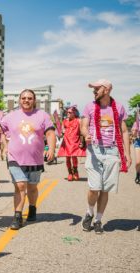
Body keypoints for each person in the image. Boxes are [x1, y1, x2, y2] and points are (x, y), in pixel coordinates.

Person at [0, 89, 56, 230]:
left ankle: (32, 207)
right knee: (20, 186)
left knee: (32, 187)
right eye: (23, 98)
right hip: (14, 158)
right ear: (19, 100)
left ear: (34, 100)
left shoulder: (42, 115)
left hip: (35, 159)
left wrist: (51, 149)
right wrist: (4, 146)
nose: (26, 100)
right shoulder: (10, 116)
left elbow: (50, 133)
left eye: (29, 98)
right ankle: (17, 216)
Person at [81, 79, 131, 234]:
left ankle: (98, 220)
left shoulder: (119, 107)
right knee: (94, 188)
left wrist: (127, 155)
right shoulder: (90, 106)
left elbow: (124, 131)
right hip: (94, 150)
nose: (94, 91)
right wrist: (86, 135)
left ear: (107, 89)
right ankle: (89, 212)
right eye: (93, 88)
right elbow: (83, 126)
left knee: (105, 189)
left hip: (112, 151)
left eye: (97, 88)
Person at [57, 106, 86, 181]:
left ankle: (75, 172)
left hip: (75, 142)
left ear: (74, 113)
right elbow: (60, 132)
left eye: (70, 112)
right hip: (66, 142)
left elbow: (82, 132)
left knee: (74, 157)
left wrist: (82, 142)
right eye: (67, 112)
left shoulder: (78, 121)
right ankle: (70, 173)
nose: (68, 113)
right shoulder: (65, 121)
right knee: (67, 158)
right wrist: (61, 131)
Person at [131, 111, 140, 184]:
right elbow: (133, 134)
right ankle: (138, 173)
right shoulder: (136, 123)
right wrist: (134, 132)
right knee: (138, 162)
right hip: (138, 142)